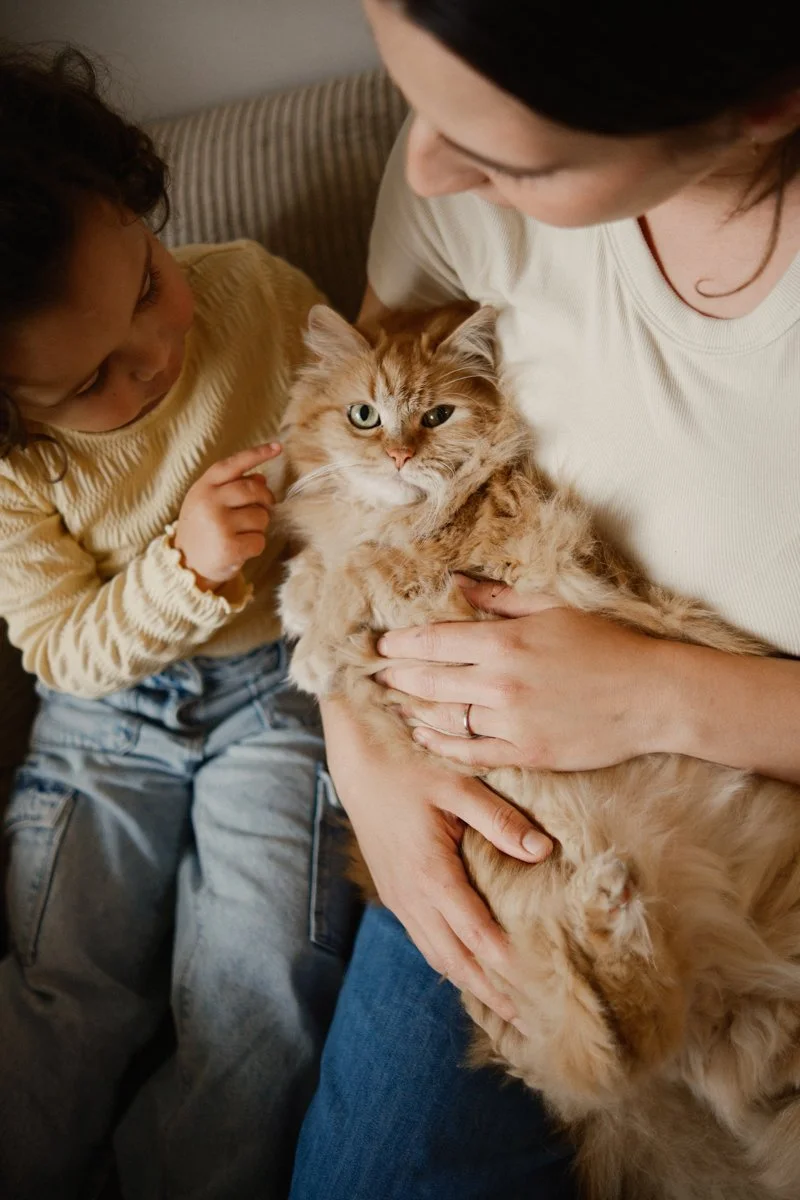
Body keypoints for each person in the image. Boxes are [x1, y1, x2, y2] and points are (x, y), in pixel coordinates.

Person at [289, 3, 800, 1197]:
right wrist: (374, 777)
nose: (423, 166)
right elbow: (349, 470)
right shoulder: (449, 174)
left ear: (763, 103)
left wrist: (663, 695)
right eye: (416, 97)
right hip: (483, 802)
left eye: (510, 154)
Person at [0, 46, 352, 1200]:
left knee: (258, 993)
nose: (153, 360)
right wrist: (181, 570)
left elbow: (352, 456)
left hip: (277, 698)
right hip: (103, 722)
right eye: (93, 379)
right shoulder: (13, 467)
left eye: (148, 281)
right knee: (64, 992)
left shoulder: (254, 291)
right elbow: (59, 646)